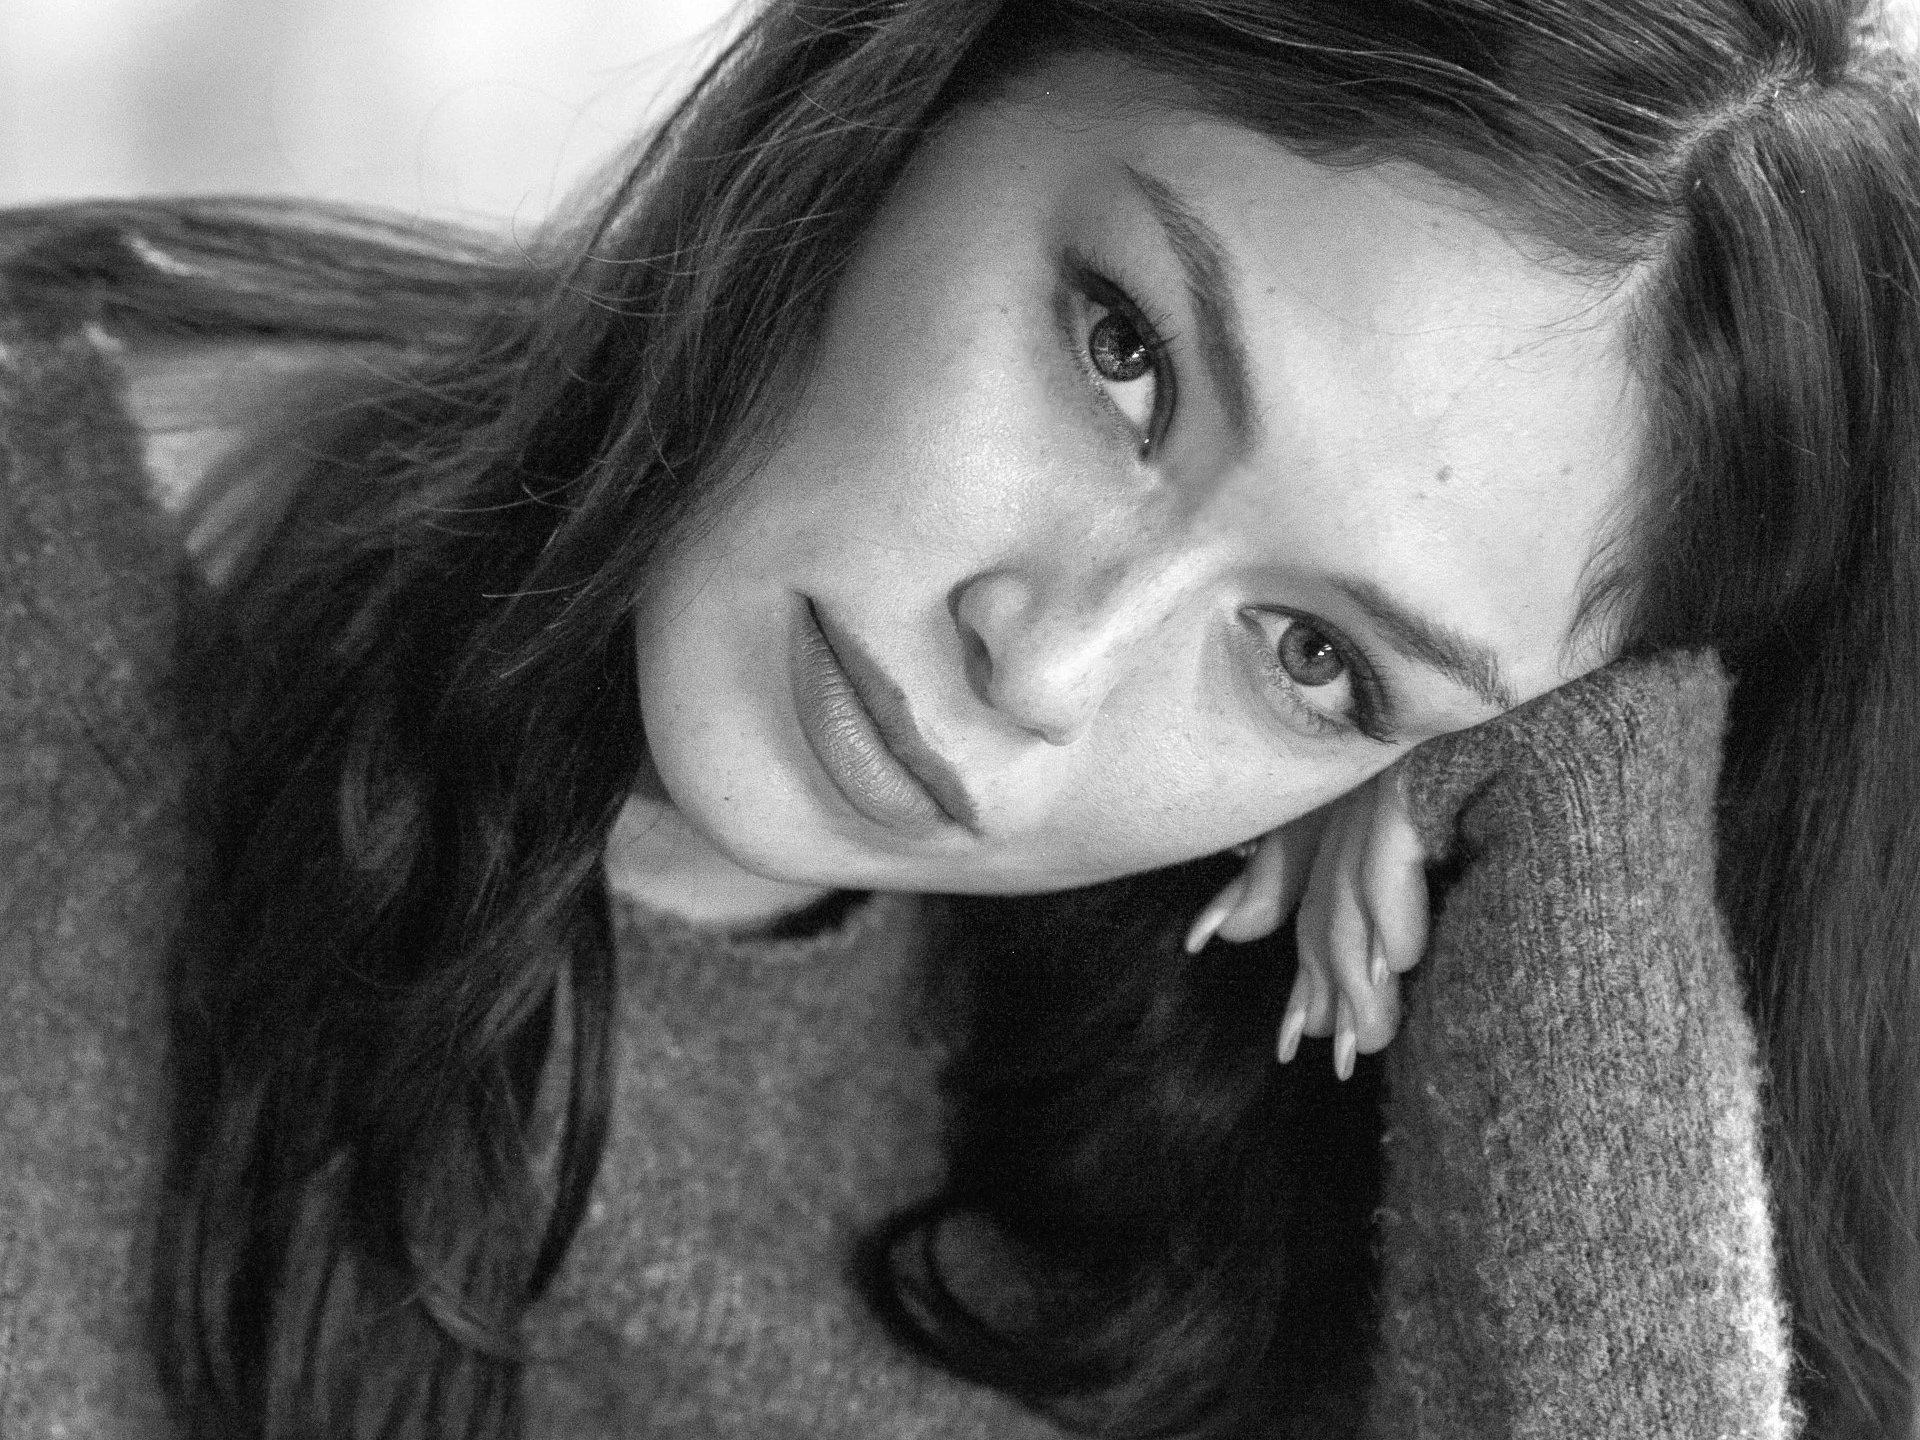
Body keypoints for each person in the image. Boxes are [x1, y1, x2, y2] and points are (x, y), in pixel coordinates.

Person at [1, 0, 1916, 1436]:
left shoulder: (1240, 1135)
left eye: (1313, 655)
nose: (1050, 662)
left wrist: (1577, 838)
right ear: (921, 82)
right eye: (1126, 355)